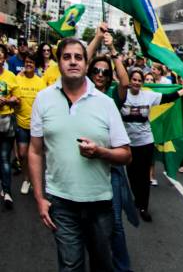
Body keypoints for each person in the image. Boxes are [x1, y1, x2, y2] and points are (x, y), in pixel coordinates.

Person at [28, 37, 132, 271]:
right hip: (60, 202)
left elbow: (126, 155)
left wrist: (100, 152)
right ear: (58, 63)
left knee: (101, 265)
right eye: (66, 57)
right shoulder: (43, 99)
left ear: (85, 64)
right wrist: (39, 197)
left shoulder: (105, 103)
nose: (73, 62)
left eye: (78, 57)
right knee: (70, 265)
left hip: (99, 202)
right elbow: (35, 151)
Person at [89, 51, 136, 272]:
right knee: (89, 223)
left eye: (105, 72)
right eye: (96, 71)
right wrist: (97, 40)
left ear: (109, 77)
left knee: (115, 223)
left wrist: (115, 54)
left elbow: (125, 83)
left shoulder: (111, 94)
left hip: (111, 166)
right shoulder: (82, 92)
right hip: (87, 165)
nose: (100, 74)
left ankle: (122, 268)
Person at [120, 67, 183, 221]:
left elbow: (167, 97)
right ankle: (137, 198)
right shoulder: (122, 96)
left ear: (142, 83)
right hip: (128, 144)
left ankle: (144, 206)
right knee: (132, 175)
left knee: (144, 176)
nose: (136, 82)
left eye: (139, 80)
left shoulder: (149, 95)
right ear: (129, 81)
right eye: (134, 79)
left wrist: (182, 90)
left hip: (145, 142)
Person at [11, 50, 45, 195]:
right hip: (21, 124)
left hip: (37, 126)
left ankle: (32, 179)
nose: (28, 64)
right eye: (26, 62)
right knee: (23, 155)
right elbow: (11, 95)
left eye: (31, 62)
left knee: (36, 154)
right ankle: (27, 178)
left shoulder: (41, 82)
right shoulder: (17, 79)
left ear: (35, 65)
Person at [0, 45, 16, 207]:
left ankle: (7, 192)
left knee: (5, 158)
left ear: (4, 58)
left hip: (6, 121)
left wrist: (9, 100)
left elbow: (17, 99)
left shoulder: (11, 76)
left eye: (1, 55)